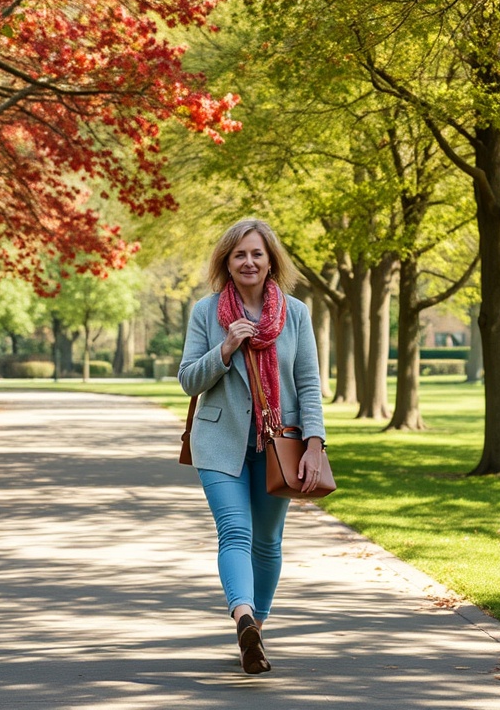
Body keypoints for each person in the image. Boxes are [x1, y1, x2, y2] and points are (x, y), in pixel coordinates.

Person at [178, 218, 326, 675]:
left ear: (270, 262)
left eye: (256, 254)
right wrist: (224, 349)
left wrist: (315, 445)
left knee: (267, 541)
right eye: (239, 254)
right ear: (227, 261)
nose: (248, 261)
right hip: (219, 442)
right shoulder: (207, 312)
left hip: (278, 445)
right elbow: (188, 379)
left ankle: (255, 632)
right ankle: (242, 615)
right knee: (235, 531)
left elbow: (308, 384)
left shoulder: (296, 314)